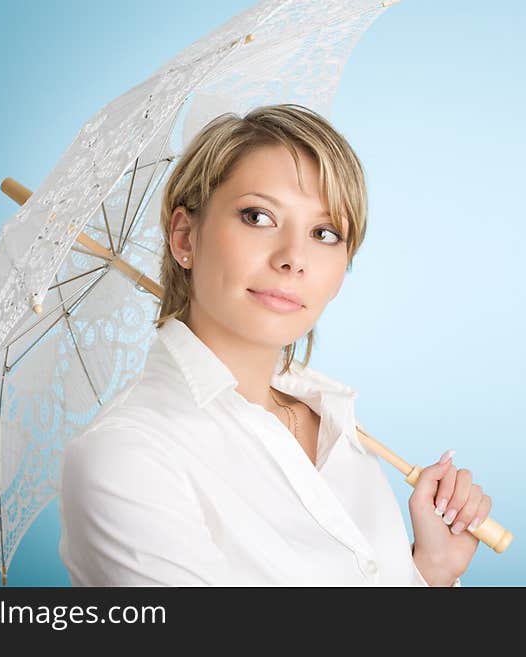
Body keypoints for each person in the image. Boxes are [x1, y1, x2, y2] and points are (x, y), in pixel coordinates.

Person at [58, 103, 492, 586]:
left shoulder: (334, 424)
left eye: (324, 232)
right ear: (184, 237)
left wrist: (429, 571)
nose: (293, 258)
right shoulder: (126, 458)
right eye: (258, 216)